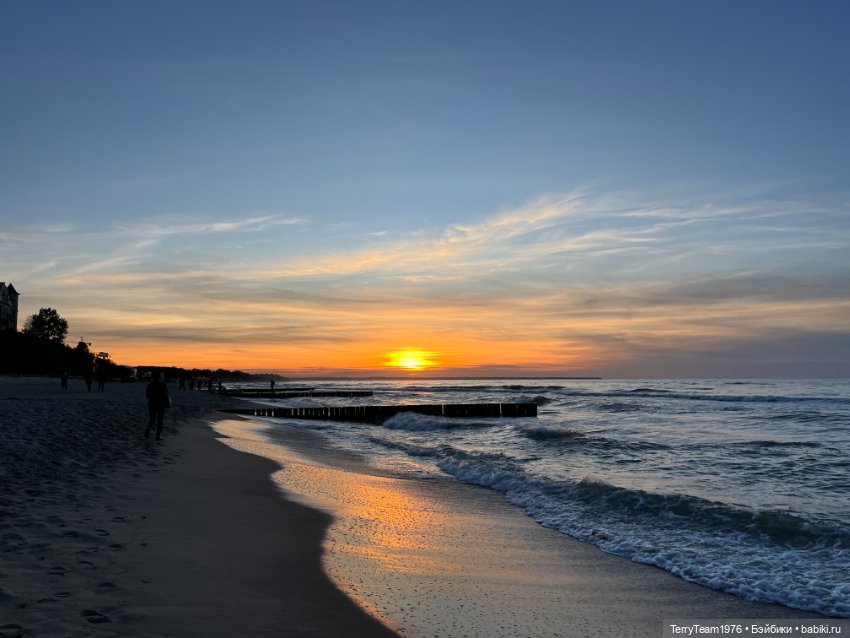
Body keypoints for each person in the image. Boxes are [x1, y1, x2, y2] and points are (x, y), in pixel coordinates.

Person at [145, 373, 171, 441]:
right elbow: (166, 394)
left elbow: (147, 396)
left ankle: (148, 428)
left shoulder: (149, 385)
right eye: (162, 376)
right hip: (160, 404)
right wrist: (168, 403)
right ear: (160, 377)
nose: (163, 377)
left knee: (152, 419)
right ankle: (158, 436)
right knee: (160, 420)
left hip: (151, 403)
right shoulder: (163, 384)